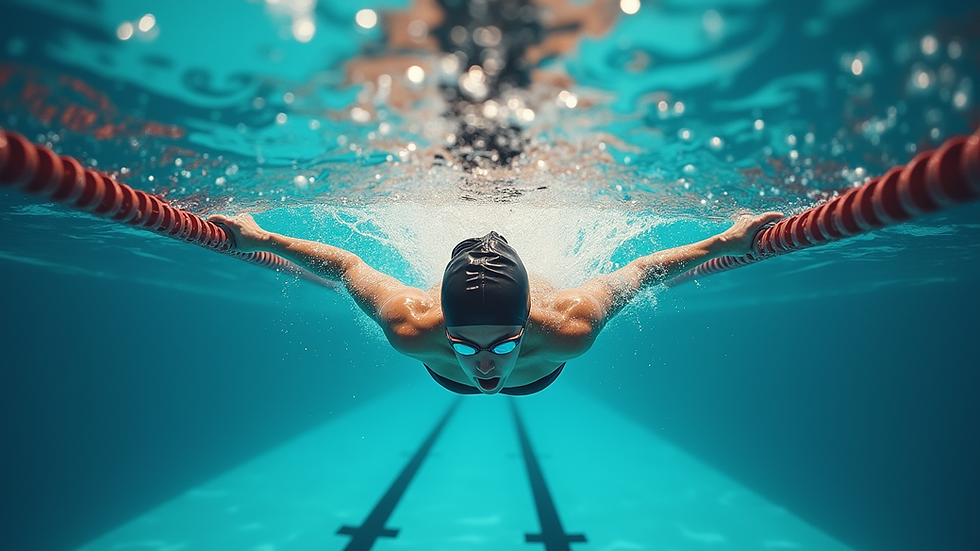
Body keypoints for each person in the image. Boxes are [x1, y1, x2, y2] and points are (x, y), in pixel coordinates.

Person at [209, 211, 783, 395]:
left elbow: (641, 270)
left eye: (503, 343)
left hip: (538, 349)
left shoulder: (568, 326)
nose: (484, 365)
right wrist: (262, 239)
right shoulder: (412, 324)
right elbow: (346, 266)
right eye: (465, 344)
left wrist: (725, 243)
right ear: (444, 328)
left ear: (527, 325)